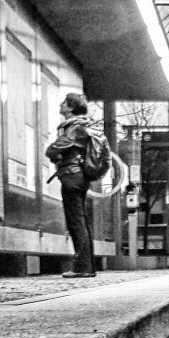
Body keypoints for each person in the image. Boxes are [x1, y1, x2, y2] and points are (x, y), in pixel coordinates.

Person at [45, 92, 96, 278]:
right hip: (78, 176)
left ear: (71, 108)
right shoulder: (80, 126)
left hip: (72, 177)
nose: (61, 104)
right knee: (80, 220)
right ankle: (88, 267)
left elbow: (56, 147)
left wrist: (52, 152)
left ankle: (82, 267)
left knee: (76, 221)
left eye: (64, 103)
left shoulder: (74, 127)